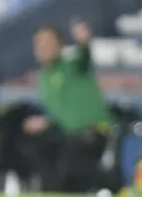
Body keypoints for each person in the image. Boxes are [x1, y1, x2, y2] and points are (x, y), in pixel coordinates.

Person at [23, 21, 112, 192]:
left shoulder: (71, 65)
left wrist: (84, 42)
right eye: (39, 43)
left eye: (48, 42)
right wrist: (46, 122)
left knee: (71, 164)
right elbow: (59, 112)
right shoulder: (44, 78)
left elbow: (84, 57)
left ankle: (114, 186)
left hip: (91, 130)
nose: (42, 47)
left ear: (60, 45)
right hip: (68, 136)